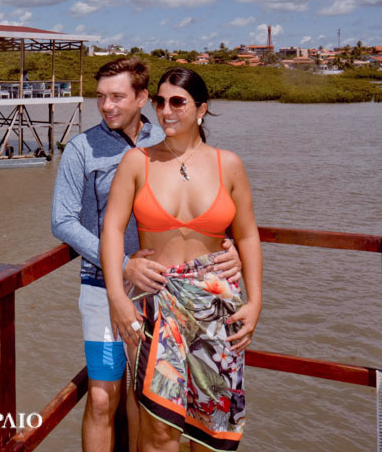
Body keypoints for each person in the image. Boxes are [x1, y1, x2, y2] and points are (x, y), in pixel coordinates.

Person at [53, 58, 241, 452]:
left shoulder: (167, 137)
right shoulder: (81, 148)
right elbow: (63, 222)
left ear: (142, 98)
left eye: (117, 97)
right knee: (102, 395)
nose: (106, 106)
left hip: (163, 293)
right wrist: (125, 267)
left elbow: (205, 199)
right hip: (101, 287)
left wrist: (229, 248)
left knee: (147, 400)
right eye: (101, 97)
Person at [101, 67, 262, 452]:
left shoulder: (228, 164)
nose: (166, 111)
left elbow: (247, 235)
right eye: (160, 102)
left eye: (178, 102)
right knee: (159, 427)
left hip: (217, 306)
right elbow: (111, 230)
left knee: (212, 424)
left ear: (201, 109)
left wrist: (256, 302)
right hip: (156, 302)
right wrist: (117, 297)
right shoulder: (137, 162)